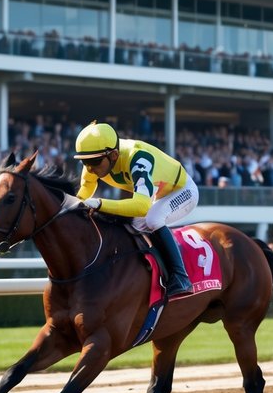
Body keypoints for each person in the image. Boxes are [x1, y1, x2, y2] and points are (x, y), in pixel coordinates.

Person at [74, 120, 195, 298]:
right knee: (132, 224)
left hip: (183, 190)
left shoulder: (138, 158)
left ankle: (181, 276)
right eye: (85, 162)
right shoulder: (97, 157)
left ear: (114, 155)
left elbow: (141, 206)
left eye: (95, 162)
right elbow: (86, 190)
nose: (90, 168)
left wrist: (100, 203)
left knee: (153, 219)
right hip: (157, 192)